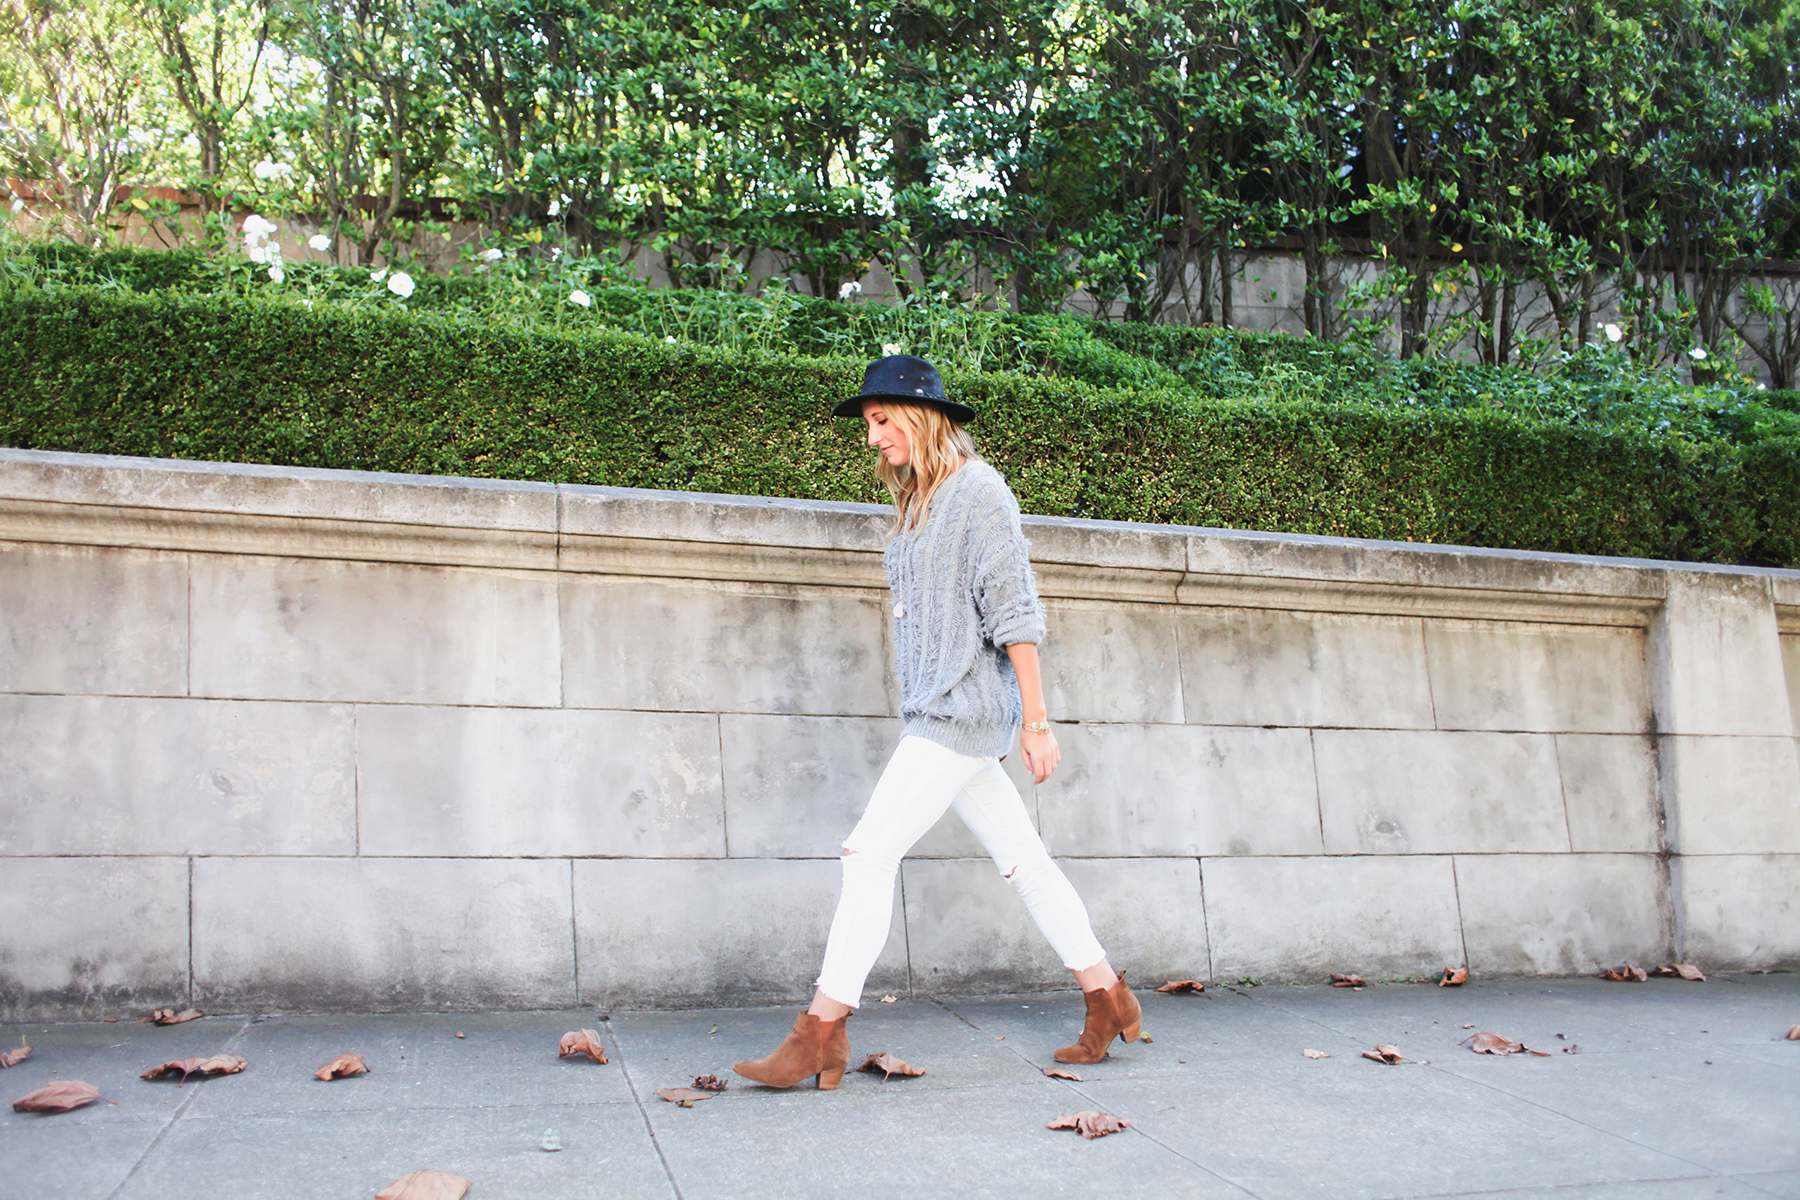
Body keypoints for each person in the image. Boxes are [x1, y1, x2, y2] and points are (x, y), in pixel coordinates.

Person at [733, 354, 1142, 1091]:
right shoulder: (920, 502)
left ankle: (819, 1033)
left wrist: (1038, 722)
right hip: (939, 711)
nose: (872, 438)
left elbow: (1015, 611)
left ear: (920, 417)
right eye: (868, 424)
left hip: (959, 712)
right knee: (1023, 861)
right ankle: (1107, 996)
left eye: (882, 420)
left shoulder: (979, 493)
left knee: (865, 854)